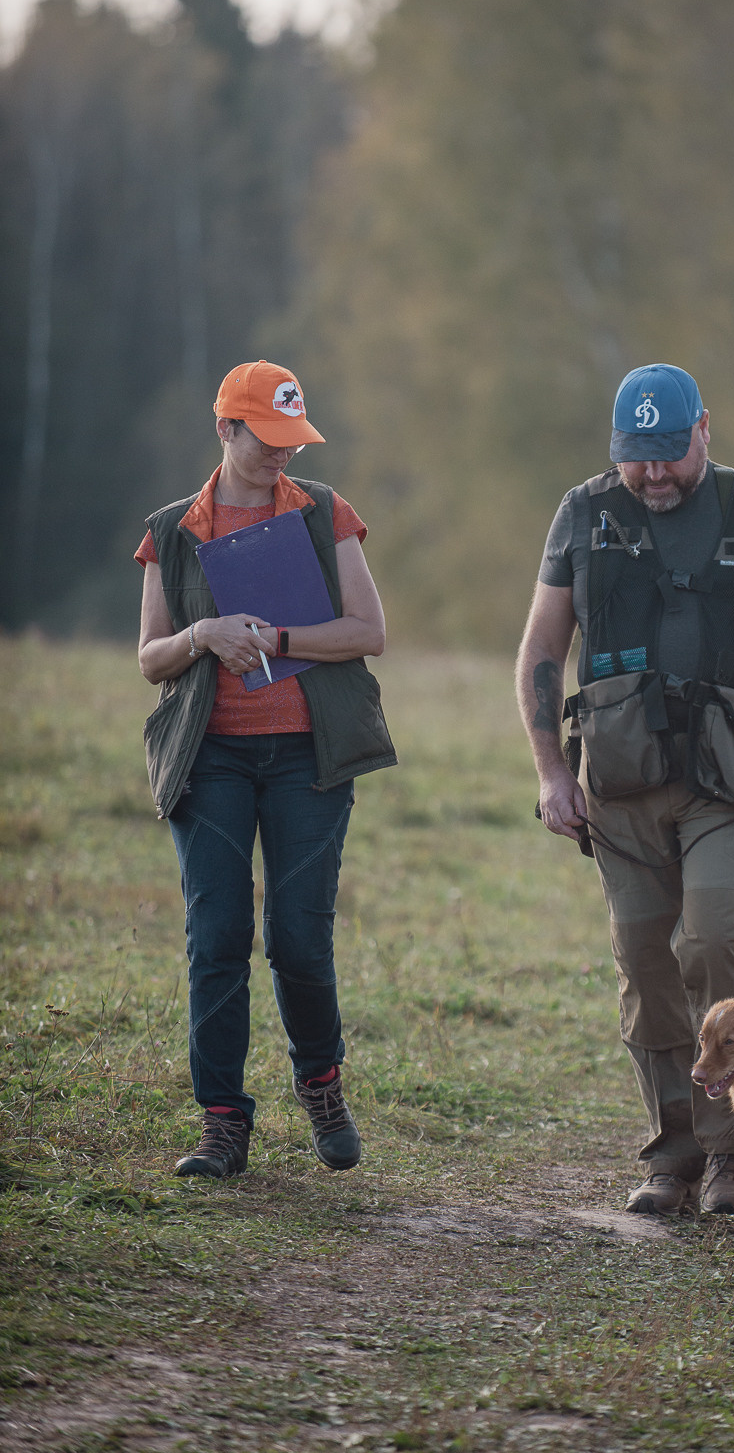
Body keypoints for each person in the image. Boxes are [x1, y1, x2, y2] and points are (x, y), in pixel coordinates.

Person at [516, 364, 734, 1216]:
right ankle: (676, 1158)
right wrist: (552, 771)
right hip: (621, 780)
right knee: (646, 962)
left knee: (720, 938)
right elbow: (543, 652)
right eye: (636, 459)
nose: (653, 475)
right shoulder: (583, 514)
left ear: (705, 430)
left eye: (668, 455)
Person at [136, 359, 396, 1180]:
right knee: (216, 939)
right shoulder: (173, 529)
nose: (283, 453)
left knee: (300, 941)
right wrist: (202, 636)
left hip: (307, 758)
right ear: (225, 430)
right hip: (209, 757)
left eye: (293, 438)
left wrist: (278, 638)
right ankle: (222, 1122)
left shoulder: (325, 513)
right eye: (266, 439)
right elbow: (150, 659)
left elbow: (366, 631)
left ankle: (320, 1082)